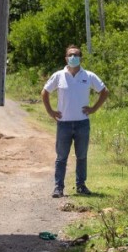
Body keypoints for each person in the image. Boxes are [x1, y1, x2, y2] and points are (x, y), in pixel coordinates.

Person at [41, 44, 109, 198]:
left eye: (76, 55)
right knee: (61, 157)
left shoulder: (88, 76)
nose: (73, 57)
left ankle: (81, 185)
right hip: (64, 123)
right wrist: (50, 111)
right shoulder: (58, 75)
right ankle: (58, 188)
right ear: (66, 58)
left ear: (80, 58)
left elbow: (104, 92)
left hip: (82, 123)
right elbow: (45, 92)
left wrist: (94, 108)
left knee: (82, 156)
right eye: (70, 55)